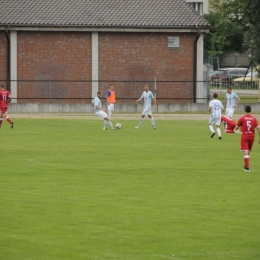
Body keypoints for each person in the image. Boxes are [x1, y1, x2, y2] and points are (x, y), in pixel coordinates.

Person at [235, 105, 260, 172]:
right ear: (251, 111)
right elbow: (258, 128)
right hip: (252, 137)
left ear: (245, 110)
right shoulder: (254, 119)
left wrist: (236, 128)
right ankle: (246, 166)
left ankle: (247, 167)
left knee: (245, 151)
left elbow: (237, 127)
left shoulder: (242, 118)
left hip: (245, 136)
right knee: (248, 151)